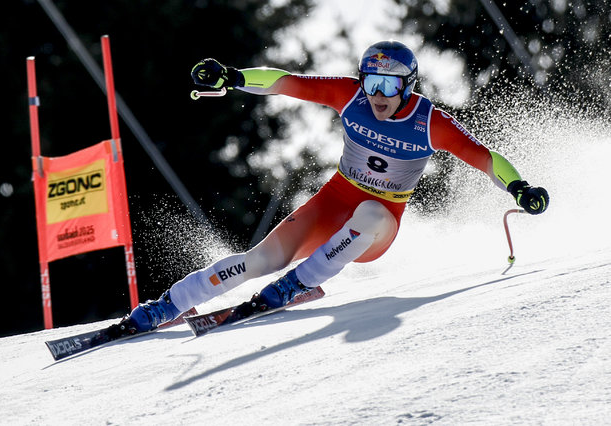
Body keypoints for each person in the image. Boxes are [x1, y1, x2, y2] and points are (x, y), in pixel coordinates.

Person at [126, 40, 549, 332]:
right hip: (332, 203)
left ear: (409, 86)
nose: (378, 95)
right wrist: (233, 76)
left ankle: (299, 282)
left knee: (369, 213)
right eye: (371, 82)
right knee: (259, 259)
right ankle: (167, 305)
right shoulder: (351, 97)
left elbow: (485, 158)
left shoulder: (429, 122)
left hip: (377, 226)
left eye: (389, 86)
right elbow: (285, 82)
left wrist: (519, 188)